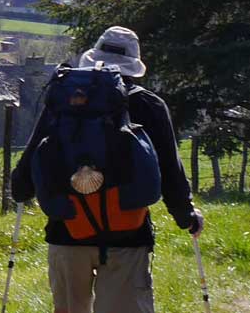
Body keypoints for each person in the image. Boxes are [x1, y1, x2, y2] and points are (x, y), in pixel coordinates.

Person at [12, 26, 203, 313]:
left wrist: (21, 188)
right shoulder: (149, 104)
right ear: (134, 65)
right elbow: (169, 170)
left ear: (93, 57)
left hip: (67, 230)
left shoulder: (66, 99)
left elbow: (32, 160)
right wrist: (186, 215)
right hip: (128, 234)